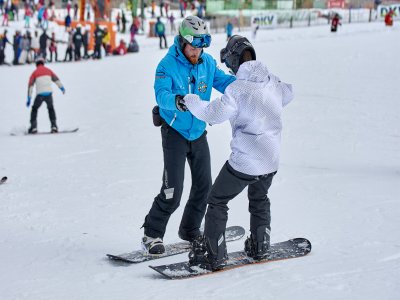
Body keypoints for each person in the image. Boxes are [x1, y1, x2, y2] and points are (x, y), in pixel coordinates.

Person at [182, 35, 294, 271]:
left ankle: (215, 253)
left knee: (217, 200)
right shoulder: (271, 81)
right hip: (270, 159)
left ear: (233, 60)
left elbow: (213, 114)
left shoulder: (237, 89)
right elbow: (288, 93)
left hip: (245, 161)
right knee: (260, 198)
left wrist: (192, 101)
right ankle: (260, 245)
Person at [141, 16, 235, 254]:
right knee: (173, 191)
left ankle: (190, 229)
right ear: (182, 42)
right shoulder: (166, 65)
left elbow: (224, 82)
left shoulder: (207, 63)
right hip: (174, 131)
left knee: (204, 187)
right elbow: (161, 95)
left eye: (201, 46)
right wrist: (177, 101)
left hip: (198, 132)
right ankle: (152, 234)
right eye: (193, 46)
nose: (197, 51)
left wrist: (246, 85)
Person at [27, 57, 66, 133]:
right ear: (43, 63)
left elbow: (30, 86)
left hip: (40, 95)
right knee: (51, 109)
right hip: (49, 94)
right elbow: (56, 80)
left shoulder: (34, 72)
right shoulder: (48, 70)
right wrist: (62, 88)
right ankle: (54, 126)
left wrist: (29, 97)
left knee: (34, 109)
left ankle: (33, 127)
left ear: (36, 64)